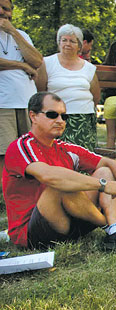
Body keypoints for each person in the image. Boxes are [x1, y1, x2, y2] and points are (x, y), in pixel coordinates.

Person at [2, 92, 116, 251]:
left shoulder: (65, 148)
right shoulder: (21, 147)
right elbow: (50, 176)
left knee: (105, 171)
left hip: (68, 224)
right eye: (52, 115)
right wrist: (103, 185)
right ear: (33, 116)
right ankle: (114, 227)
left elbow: (107, 162)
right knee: (60, 183)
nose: (60, 121)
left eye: (63, 116)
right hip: (33, 234)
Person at [35, 24, 100, 152]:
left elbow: (95, 96)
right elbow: (40, 91)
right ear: (59, 42)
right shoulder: (47, 63)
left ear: (79, 46)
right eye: (64, 40)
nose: (67, 44)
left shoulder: (89, 68)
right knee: (56, 157)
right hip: (54, 118)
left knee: (83, 158)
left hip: (83, 119)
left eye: (72, 41)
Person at [0, 0, 43, 185]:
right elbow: (27, 64)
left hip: (27, 102)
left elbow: (36, 61)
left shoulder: (22, 35)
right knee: (4, 151)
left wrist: (13, 32)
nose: (2, 11)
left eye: (6, 8)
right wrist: (20, 65)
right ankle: (5, 195)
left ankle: (27, 191)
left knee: (30, 150)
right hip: (3, 103)